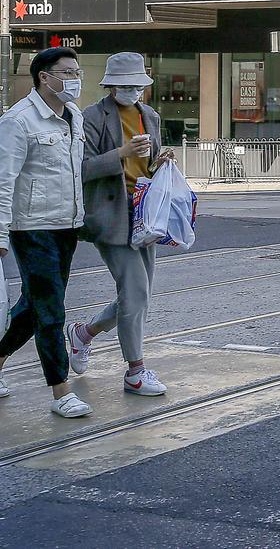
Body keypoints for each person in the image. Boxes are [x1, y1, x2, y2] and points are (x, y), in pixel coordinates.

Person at [66, 53, 173, 396]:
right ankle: (135, 372)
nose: (134, 92)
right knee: (136, 292)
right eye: (126, 86)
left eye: (139, 86)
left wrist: (160, 161)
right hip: (111, 215)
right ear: (111, 85)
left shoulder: (150, 116)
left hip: (145, 213)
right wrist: (122, 153)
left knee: (137, 295)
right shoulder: (91, 117)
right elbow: (81, 169)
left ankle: (85, 332)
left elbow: (147, 167)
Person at [0, 48, 91, 417]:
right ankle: (60, 390)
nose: (74, 77)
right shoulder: (18, 120)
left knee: (33, 305)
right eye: (67, 71)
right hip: (31, 226)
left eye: (76, 70)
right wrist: (0, 231)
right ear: (43, 77)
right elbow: (4, 180)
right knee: (51, 310)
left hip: (65, 225)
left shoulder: (74, 116)